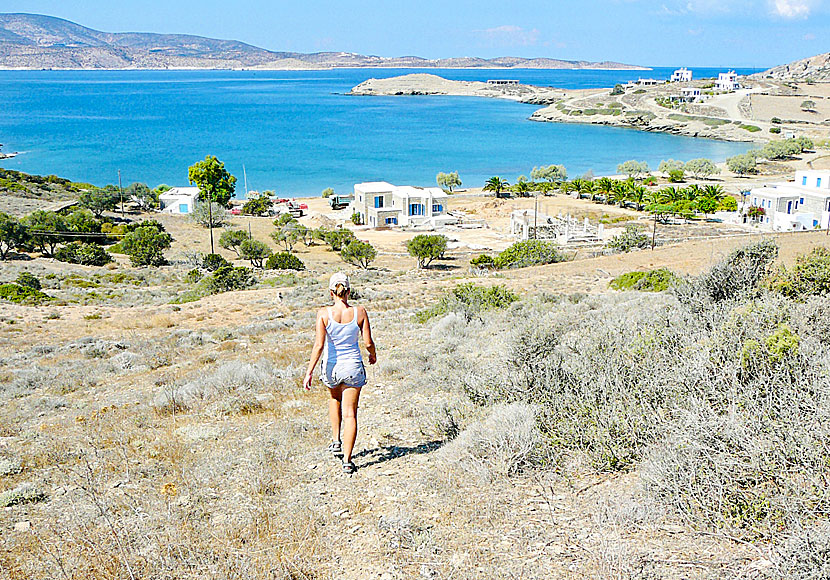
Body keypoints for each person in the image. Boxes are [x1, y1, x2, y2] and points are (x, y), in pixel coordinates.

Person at [303, 273, 376, 474]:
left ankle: (336, 440)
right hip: (352, 366)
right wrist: (373, 355)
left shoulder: (323, 313)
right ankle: (347, 459)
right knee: (351, 413)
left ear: (331, 292)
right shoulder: (359, 312)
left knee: (334, 400)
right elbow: (368, 342)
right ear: (349, 291)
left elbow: (319, 345)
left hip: (331, 367)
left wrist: (309, 372)